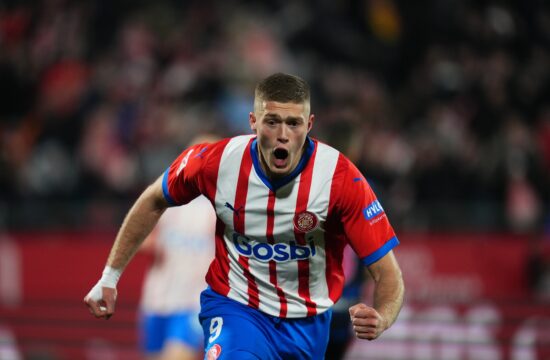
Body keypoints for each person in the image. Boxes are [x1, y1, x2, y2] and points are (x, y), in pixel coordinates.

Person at [84, 73, 405, 359]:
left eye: (293, 123)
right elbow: (153, 199)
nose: (282, 134)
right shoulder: (217, 162)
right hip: (237, 308)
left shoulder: (341, 179)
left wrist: (383, 317)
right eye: (272, 121)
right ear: (253, 121)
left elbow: (388, 273)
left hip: (307, 328)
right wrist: (110, 277)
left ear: (309, 125)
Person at [138, 135, 219, 360]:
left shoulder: (222, 206)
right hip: (157, 299)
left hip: (193, 302)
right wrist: (152, 245)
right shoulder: (167, 197)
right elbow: (141, 238)